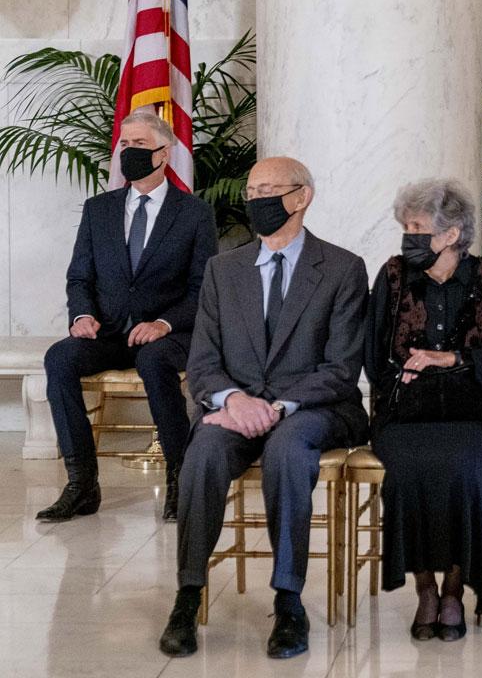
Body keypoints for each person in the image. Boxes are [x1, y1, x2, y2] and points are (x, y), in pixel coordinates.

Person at [158, 157, 369, 660]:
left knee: (288, 451)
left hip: (316, 407)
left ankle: (289, 600)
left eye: (269, 189)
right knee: (203, 452)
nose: (257, 200)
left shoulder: (342, 268)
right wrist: (232, 400)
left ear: (301, 198)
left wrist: (275, 406)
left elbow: (341, 367)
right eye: (252, 191)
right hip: (237, 408)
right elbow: (203, 360)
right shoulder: (222, 270)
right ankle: (187, 596)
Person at [364, 180, 482, 642]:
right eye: (405, 227)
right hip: (407, 417)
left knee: (470, 470)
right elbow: (375, 355)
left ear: (451, 234)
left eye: (417, 227)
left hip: (474, 416)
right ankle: (425, 590)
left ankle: (455, 590)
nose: (407, 236)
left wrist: (451, 360)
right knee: (409, 470)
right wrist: (401, 372)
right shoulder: (393, 277)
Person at [40, 111, 216, 523]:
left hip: (168, 333)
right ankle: (82, 483)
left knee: (154, 362)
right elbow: (79, 276)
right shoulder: (99, 209)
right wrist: (81, 314)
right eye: (124, 144)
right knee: (59, 359)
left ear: (164, 152)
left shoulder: (193, 213)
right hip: (109, 331)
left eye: (139, 144)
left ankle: (179, 478)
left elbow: (203, 288)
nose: (129, 152)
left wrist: (163, 324)